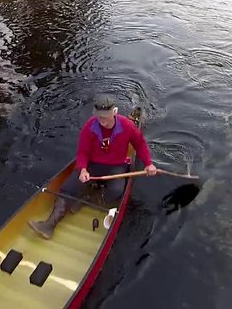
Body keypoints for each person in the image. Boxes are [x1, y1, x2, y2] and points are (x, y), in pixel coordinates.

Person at [29, 93, 157, 239]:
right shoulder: (89, 126)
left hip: (117, 166)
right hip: (93, 164)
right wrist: (83, 169)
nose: (101, 120)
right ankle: (49, 225)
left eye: (105, 116)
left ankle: (89, 198)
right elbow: (82, 152)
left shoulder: (127, 125)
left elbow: (140, 144)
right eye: (99, 116)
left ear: (114, 112)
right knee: (68, 188)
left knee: (115, 192)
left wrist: (149, 164)